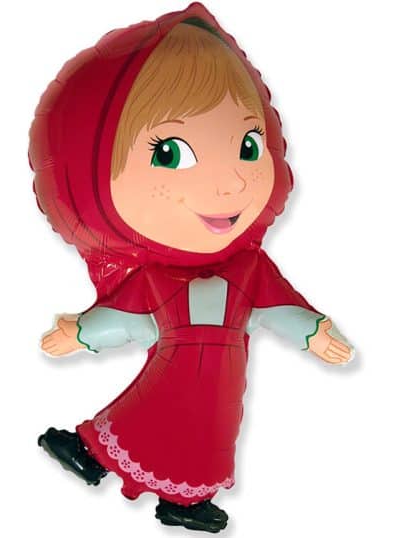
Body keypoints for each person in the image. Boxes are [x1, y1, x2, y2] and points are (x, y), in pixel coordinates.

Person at [30, 3, 354, 533]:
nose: (230, 183)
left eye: (248, 145)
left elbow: (281, 307)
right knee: (142, 414)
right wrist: (81, 332)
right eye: (169, 154)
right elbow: (126, 317)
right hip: (173, 367)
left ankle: (185, 498)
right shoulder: (154, 279)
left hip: (222, 378)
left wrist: (314, 331)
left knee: (215, 429)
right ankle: (90, 452)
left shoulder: (250, 269)